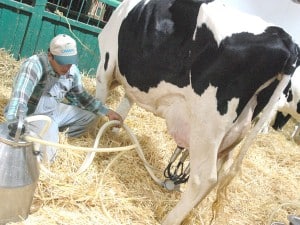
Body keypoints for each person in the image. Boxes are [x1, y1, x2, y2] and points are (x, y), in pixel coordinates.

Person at [4, 34, 123, 162]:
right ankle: (43, 137)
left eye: (70, 62)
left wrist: (107, 111)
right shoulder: (35, 65)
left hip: (54, 111)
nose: (67, 67)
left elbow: (82, 97)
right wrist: (15, 124)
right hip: (33, 115)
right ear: (50, 55)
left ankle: (54, 136)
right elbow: (19, 98)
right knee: (47, 158)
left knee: (92, 117)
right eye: (63, 62)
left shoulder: (72, 71)